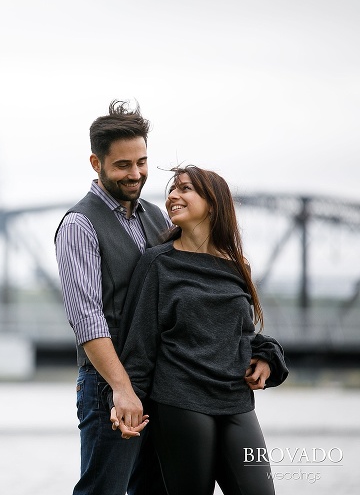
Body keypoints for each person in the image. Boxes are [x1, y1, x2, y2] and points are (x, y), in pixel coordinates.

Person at [113, 165, 289, 495]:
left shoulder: (238, 265)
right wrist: (127, 402)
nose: (172, 196)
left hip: (235, 399)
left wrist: (266, 357)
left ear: (213, 202)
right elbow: (139, 343)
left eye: (185, 189)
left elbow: (242, 334)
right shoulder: (157, 263)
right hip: (179, 400)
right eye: (171, 190)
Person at [54, 100, 170, 495]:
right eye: (122, 165)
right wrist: (122, 389)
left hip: (161, 380)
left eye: (141, 162)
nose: (135, 173)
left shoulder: (157, 217)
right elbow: (87, 318)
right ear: (96, 162)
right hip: (108, 384)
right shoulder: (79, 225)